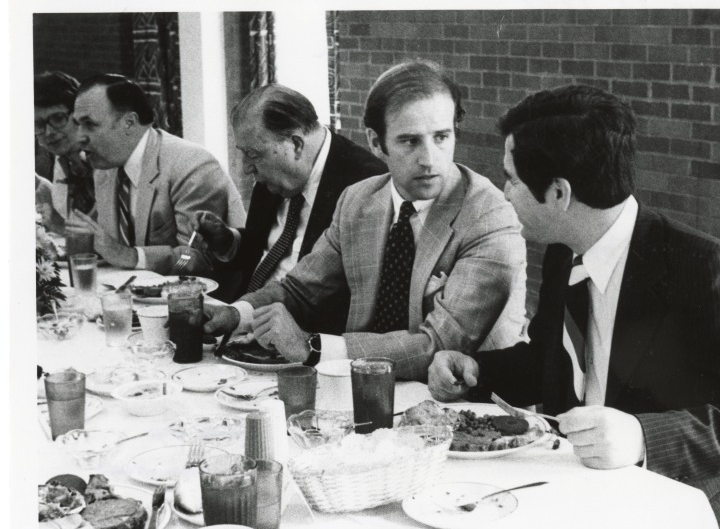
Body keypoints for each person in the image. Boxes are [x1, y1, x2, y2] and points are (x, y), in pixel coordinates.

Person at [427, 85, 720, 529]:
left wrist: (642, 438)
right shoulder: (563, 251)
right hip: (583, 500)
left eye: (511, 178)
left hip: (691, 518)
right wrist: (476, 369)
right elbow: (552, 363)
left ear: (559, 193)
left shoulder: (708, 269)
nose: (504, 192)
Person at [205, 60, 527, 380]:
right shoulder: (357, 200)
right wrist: (236, 314)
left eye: (441, 137)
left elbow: (438, 345)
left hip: (455, 405)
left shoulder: (489, 216)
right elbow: (301, 290)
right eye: (410, 141)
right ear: (376, 142)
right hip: (361, 392)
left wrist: (312, 347)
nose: (429, 159)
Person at [188, 84, 387, 312]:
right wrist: (228, 241)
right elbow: (263, 252)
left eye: (252, 154)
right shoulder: (274, 175)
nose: (245, 168)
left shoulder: (366, 186)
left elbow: (340, 297)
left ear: (296, 144)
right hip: (244, 314)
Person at [66, 74, 246, 275]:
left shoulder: (190, 165)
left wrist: (129, 256)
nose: (79, 137)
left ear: (129, 122)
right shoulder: (105, 168)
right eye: (77, 125)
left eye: (89, 124)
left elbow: (197, 259)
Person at [34, 71, 96, 234]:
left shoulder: (104, 159)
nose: (48, 132)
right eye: (38, 124)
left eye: (58, 118)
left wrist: (57, 224)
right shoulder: (63, 160)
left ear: (78, 115)